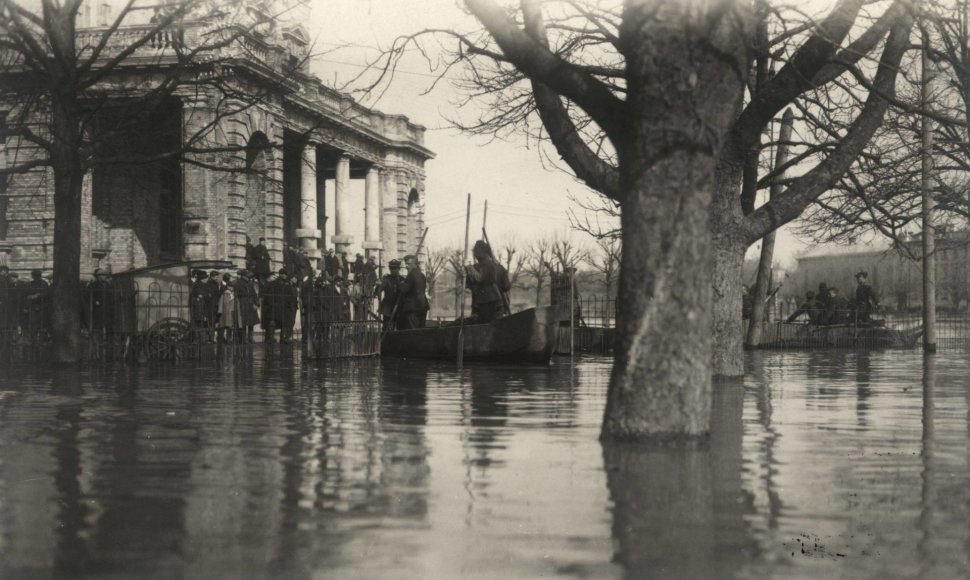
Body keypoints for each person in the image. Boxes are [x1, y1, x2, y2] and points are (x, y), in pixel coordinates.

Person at [465, 240, 503, 324]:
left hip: (489, 298)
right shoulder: (482, 263)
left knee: (487, 322)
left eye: (475, 251)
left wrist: (470, 268)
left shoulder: (487, 263)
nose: (474, 254)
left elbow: (480, 278)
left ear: (481, 251)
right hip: (484, 298)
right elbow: (474, 281)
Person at [400, 254, 429, 329]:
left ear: (415, 264)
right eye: (406, 264)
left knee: (413, 331)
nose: (406, 266)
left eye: (408, 264)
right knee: (421, 329)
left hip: (413, 307)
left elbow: (404, 290)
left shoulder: (411, 275)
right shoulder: (422, 275)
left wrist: (400, 283)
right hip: (423, 306)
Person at [88, 267, 115, 340]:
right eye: (102, 275)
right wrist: (95, 301)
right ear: (98, 276)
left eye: (105, 275)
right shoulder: (94, 284)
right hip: (98, 308)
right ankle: (96, 339)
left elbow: (111, 294)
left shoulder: (107, 284)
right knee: (98, 324)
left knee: (107, 324)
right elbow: (88, 295)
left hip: (106, 307)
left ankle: (106, 339)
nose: (104, 277)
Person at [234, 270, 260, 343]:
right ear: (243, 276)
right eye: (247, 277)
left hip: (251, 304)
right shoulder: (237, 283)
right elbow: (236, 294)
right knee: (243, 322)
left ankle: (250, 338)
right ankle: (243, 338)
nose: (249, 278)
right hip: (243, 304)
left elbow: (254, 294)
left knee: (251, 322)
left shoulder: (250, 283)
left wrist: (256, 304)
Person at [378, 259, 405, 331]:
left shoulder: (402, 279)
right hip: (388, 308)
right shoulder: (386, 279)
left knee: (400, 328)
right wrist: (380, 300)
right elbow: (379, 291)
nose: (393, 271)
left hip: (398, 307)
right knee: (386, 328)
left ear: (399, 269)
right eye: (391, 269)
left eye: (395, 268)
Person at [217, 272, 238, 343]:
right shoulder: (225, 293)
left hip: (231, 312)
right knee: (223, 326)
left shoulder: (233, 294)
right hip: (225, 312)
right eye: (231, 287)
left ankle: (229, 339)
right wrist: (220, 311)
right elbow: (221, 303)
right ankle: (221, 339)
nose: (232, 288)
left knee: (230, 327)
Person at [190, 269, 210, 338]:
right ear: (203, 279)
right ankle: (200, 338)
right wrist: (205, 295)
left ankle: (201, 338)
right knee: (199, 322)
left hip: (202, 306)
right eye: (206, 278)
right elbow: (201, 295)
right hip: (199, 307)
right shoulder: (198, 285)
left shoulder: (201, 284)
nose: (207, 279)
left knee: (201, 323)